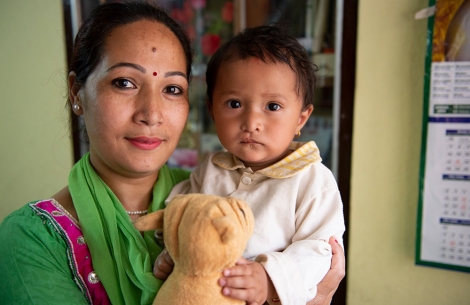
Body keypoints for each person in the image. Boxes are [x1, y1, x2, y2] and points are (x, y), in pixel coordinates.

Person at [0, 2, 344, 305]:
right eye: (124, 82)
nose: (151, 113)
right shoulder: (33, 239)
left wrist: (278, 285)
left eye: (172, 89)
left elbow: (316, 254)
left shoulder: (202, 190)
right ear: (77, 91)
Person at [159, 24, 346, 305]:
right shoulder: (210, 170)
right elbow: (187, 217)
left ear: (301, 119)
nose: (251, 123)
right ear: (212, 110)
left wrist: (269, 279)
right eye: (234, 104)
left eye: (272, 106)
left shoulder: (313, 181)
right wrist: (174, 253)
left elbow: (320, 251)